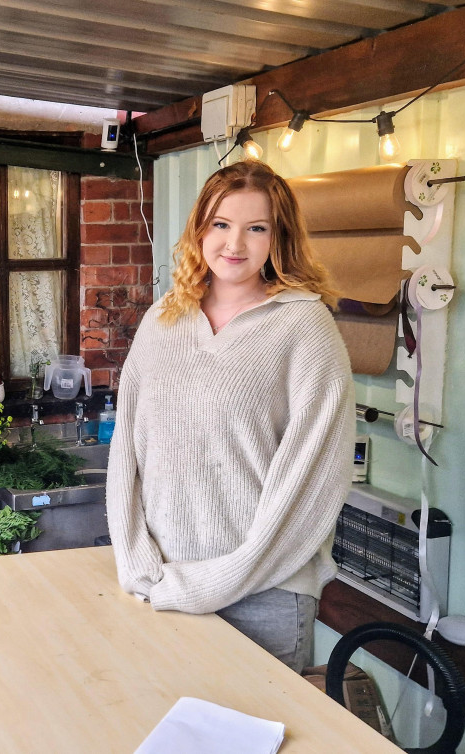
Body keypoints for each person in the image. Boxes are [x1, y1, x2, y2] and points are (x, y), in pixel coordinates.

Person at [106, 160, 354, 673]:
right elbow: (126, 449)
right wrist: (135, 560)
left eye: (255, 227)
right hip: (163, 582)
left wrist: (220, 580)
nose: (234, 243)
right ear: (200, 229)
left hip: (265, 594)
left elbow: (313, 483)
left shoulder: (305, 327)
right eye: (221, 224)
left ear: (277, 238)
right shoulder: (163, 319)